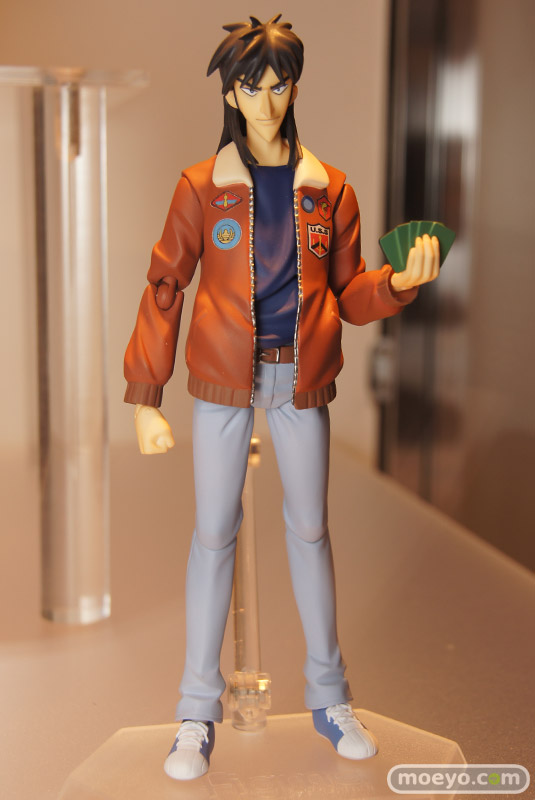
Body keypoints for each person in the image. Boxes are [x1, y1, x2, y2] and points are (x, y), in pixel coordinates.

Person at [124, 14, 440, 781]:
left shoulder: (329, 189)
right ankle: (196, 711)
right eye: (250, 88)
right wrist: (145, 394)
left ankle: (330, 698)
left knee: (310, 532)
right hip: (221, 381)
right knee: (212, 535)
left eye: (277, 86)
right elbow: (166, 285)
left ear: (294, 88)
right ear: (230, 94)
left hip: (300, 378)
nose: (265, 103)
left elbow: (349, 293)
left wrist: (396, 284)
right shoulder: (201, 187)